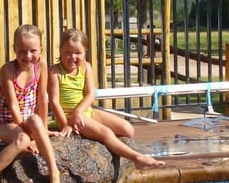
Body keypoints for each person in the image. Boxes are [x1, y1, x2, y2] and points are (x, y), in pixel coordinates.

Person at [48, 28, 164, 169]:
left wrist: (79, 111)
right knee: (106, 133)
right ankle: (137, 157)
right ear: (60, 51)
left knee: (128, 129)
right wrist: (65, 124)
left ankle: (109, 142)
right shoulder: (55, 71)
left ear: (85, 52)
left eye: (78, 53)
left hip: (85, 112)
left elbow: (91, 94)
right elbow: (54, 101)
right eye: (67, 52)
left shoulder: (86, 67)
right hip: (68, 116)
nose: (73, 57)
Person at [0, 24, 63, 183]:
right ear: (14, 49)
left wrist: (42, 130)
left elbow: (41, 99)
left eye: (33, 51)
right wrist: (29, 135)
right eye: (22, 51)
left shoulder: (41, 66)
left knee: (36, 121)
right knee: (22, 141)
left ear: (41, 49)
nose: (28, 56)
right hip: (8, 123)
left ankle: (54, 173)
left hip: (29, 121)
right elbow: (13, 106)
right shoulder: (7, 70)